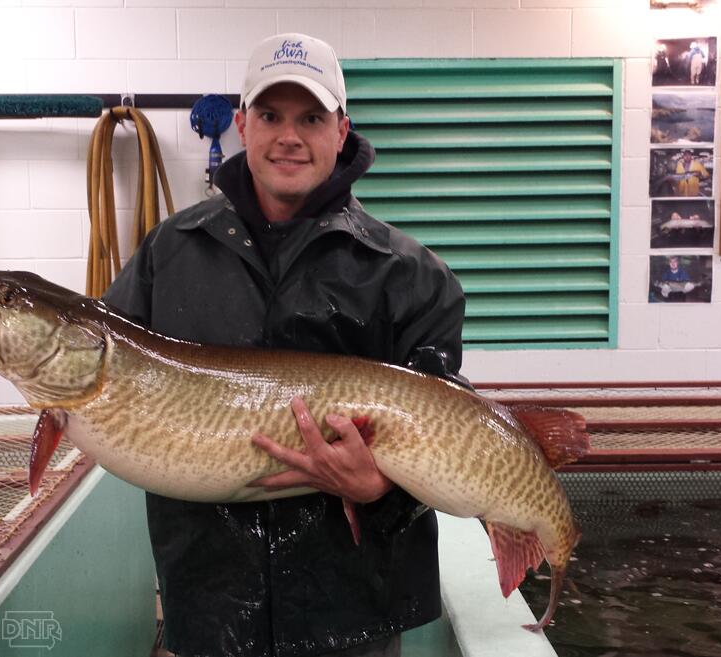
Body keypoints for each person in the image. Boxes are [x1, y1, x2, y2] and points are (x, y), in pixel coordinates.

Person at [103, 33, 469, 657]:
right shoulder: (167, 254)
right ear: (242, 125)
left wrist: (380, 490)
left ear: (342, 130)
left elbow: (441, 437)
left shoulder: (410, 275)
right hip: (210, 604)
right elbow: (102, 371)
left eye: (311, 118)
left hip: (351, 610)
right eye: (271, 115)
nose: (289, 136)